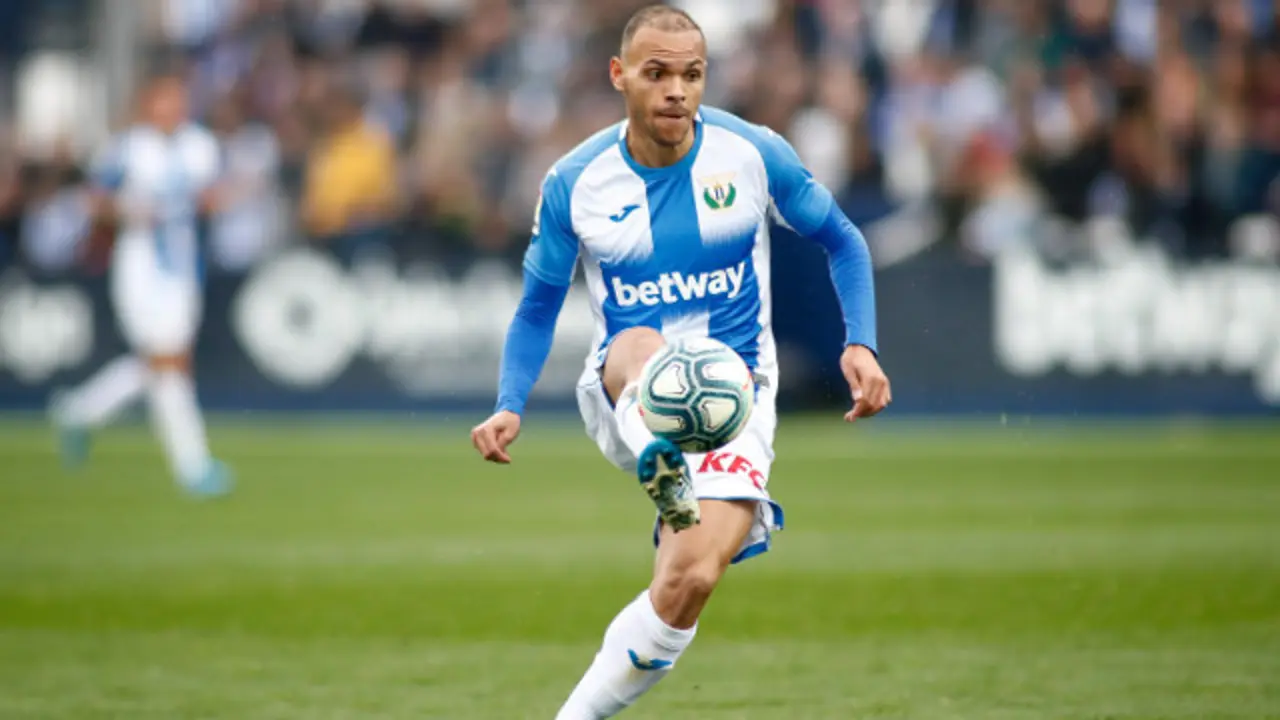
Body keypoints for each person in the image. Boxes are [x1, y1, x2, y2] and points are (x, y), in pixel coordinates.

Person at [469, 6, 891, 718]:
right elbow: (539, 306)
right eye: (656, 73)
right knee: (642, 346)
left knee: (687, 581)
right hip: (627, 384)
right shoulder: (576, 182)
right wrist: (510, 401)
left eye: (691, 75)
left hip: (740, 397)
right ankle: (659, 461)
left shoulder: (752, 153)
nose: (675, 90)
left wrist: (861, 340)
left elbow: (843, 239)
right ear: (619, 75)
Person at [49, 75, 231, 498]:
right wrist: (128, 210)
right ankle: (194, 468)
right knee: (169, 363)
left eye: (178, 102)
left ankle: (80, 410)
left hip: (183, 267)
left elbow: (211, 198)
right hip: (140, 268)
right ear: (147, 106)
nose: (172, 111)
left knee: (161, 363)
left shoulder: (200, 146)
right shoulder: (127, 149)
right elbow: (93, 201)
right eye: (163, 102)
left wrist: (202, 202)